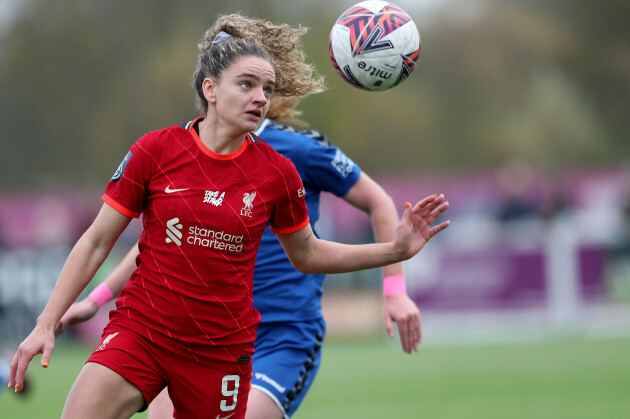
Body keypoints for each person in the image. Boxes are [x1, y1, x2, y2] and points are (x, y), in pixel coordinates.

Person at [8, 13, 450, 419]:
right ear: (210, 89)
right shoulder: (156, 150)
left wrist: (393, 254)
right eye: (247, 85)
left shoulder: (280, 170)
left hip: (223, 350)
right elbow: (104, 241)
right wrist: (54, 319)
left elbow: (309, 253)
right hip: (144, 330)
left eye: (267, 88)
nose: (261, 97)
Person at [57, 95, 425, 418]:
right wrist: (97, 298)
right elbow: (160, 240)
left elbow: (377, 201)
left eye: (257, 84)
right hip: (202, 335)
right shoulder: (183, 151)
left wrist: (394, 288)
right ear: (210, 88)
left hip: (283, 335)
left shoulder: (295, 151)